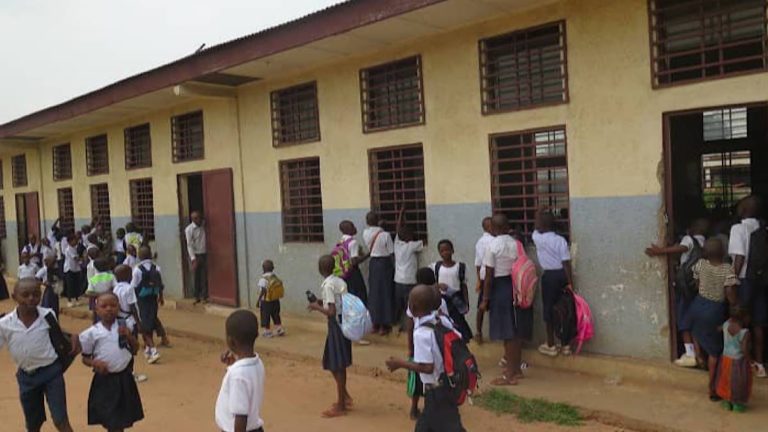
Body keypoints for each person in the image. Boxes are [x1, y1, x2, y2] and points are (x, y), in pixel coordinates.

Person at [0, 278, 78, 432]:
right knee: (33, 423)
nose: (31, 298)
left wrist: (72, 336)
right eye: (25, 295)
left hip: (51, 373)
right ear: (14, 297)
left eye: (36, 294)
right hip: (27, 377)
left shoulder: (48, 315)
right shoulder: (5, 324)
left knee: (60, 420)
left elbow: (57, 334)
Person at [386, 284, 467, 432]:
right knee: (425, 427)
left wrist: (400, 363)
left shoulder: (421, 334)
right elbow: (458, 337)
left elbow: (427, 367)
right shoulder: (441, 319)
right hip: (446, 385)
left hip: (438, 391)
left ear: (413, 307)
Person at [646, 218, 708, 367]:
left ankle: (690, 354)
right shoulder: (704, 242)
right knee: (694, 321)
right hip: (696, 287)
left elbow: (681, 248)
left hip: (684, 287)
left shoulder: (689, 239)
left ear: (693, 228)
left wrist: (659, 251)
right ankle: (699, 355)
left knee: (683, 319)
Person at [79, 292, 144, 431]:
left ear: (118, 307)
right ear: (96, 310)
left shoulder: (125, 325)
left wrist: (129, 336)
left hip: (124, 378)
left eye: (113, 305)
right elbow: (85, 358)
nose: (109, 309)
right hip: (105, 380)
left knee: (121, 418)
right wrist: (95, 363)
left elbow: (135, 349)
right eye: (104, 306)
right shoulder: (91, 334)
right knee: (110, 418)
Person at [480, 214, 531, 386]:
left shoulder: (493, 245)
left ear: (494, 229)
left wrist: (485, 298)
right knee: (514, 331)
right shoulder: (516, 244)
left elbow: (489, 276)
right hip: (515, 286)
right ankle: (516, 369)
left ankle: (509, 375)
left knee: (507, 333)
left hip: (499, 288)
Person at [308, 255, 353, 418]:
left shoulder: (328, 285)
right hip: (344, 323)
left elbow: (332, 311)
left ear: (320, 270)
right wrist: (322, 302)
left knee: (336, 364)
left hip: (336, 326)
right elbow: (337, 302)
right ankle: (344, 397)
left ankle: (341, 404)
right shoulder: (339, 281)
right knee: (335, 363)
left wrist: (316, 307)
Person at [728, 196, 767, 378]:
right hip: (761, 280)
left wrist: (732, 282)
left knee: (739, 320)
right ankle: (760, 364)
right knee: (759, 323)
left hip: (744, 280)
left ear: (743, 209)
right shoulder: (762, 228)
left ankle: (742, 362)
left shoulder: (738, 228)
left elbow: (739, 257)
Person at [533, 211, 574, 357]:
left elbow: (536, 228)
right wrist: (570, 283)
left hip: (549, 277)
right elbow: (566, 263)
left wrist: (539, 212)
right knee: (565, 309)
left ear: (542, 225)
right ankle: (565, 344)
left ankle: (550, 344)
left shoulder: (537, 238)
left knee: (549, 310)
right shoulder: (560, 240)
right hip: (562, 275)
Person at [216, 310, 265, 432]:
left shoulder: (238, 375)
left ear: (231, 341)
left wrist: (235, 368)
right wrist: (234, 364)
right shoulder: (257, 362)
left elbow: (240, 416)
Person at [430, 240, 472, 342]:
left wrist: (466, 302)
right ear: (439, 253)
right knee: (444, 322)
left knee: (458, 322)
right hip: (441, 300)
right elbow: (430, 283)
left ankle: (461, 342)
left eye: (447, 250)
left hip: (456, 299)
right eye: (442, 251)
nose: (445, 253)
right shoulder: (435, 267)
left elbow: (464, 285)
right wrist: (438, 285)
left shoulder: (460, 267)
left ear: (452, 250)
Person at [713, 306, 753, 412]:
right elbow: (744, 348)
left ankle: (727, 402)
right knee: (738, 382)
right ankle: (737, 405)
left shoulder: (726, 324)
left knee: (725, 379)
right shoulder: (744, 332)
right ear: (744, 318)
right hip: (738, 361)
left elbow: (718, 329)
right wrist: (750, 360)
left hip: (725, 358)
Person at [363, 211, 396, 336]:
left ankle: (375, 323)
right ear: (378, 220)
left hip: (373, 263)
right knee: (385, 292)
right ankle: (384, 325)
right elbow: (391, 252)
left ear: (367, 221)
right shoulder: (385, 234)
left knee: (374, 293)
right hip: (384, 263)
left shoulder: (365, 233)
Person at [131, 246, 163, 364]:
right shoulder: (157, 268)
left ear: (139, 256)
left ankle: (153, 349)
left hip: (142, 299)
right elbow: (160, 284)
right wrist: (161, 297)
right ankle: (148, 349)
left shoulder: (137, 270)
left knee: (144, 323)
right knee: (151, 319)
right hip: (153, 297)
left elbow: (134, 286)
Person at [394, 207, 424, 333]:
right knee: (410, 305)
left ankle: (399, 324)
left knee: (400, 305)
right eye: (411, 235)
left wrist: (401, 213)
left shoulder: (397, 244)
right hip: (409, 280)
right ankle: (409, 326)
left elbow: (398, 229)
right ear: (408, 237)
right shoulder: (412, 246)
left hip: (398, 280)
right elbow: (423, 243)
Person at [338, 220, 369, 306]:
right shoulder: (353, 242)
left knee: (349, 295)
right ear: (348, 229)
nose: (355, 228)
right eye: (353, 226)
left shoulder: (341, 241)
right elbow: (354, 261)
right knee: (360, 294)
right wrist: (367, 255)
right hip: (353, 272)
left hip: (344, 272)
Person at [474, 217, 493, 344]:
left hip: (483, 276)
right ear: (488, 227)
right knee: (484, 304)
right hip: (491, 277)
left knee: (481, 307)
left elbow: (478, 263)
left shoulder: (479, 241)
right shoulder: (493, 241)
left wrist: (479, 280)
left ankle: (478, 332)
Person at [257, 260, 284, 338]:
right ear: (273, 268)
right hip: (275, 300)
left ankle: (268, 331)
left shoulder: (263, 279)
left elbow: (263, 290)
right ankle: (279, 329)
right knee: (276, 314)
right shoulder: (275, 277)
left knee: (265, 315)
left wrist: (259, 300)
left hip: (266, 301)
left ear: (263, 268)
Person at [185, 211, 208, 305]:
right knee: (196, 276)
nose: (199, 219)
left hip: (204, 253)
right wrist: (193, 258)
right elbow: (189, 245)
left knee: (204, 276)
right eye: (197, 218)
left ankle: (204, 296)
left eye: (200, 217)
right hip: (196, 255)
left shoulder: (203, 226)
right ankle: (197, 296)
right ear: (193, 219)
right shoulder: (189, 230)